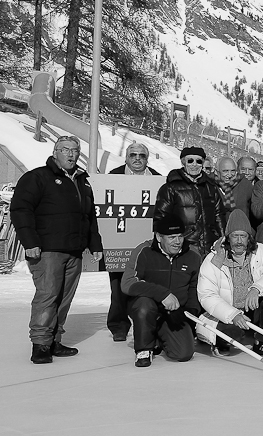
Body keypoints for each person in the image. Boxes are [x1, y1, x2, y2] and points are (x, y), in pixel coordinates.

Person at [11, 135, 103, 363]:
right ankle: (40, 344)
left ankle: (54, 340)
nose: (71, 155)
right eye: (65, 150)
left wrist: (95, 244)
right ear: (55, 153)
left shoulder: (83, 181)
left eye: (75, 150)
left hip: (74, 250)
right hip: (47, 250)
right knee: (48, 296)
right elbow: (21, 210)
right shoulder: (37, 177)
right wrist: (30, 242)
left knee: (64, 298)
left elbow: (89, 216)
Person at [196, 210, 263, 357]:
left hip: (253, 308)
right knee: (233, 335)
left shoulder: (260, 251)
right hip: (226, 312)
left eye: (243, 236)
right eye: (235, 236)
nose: (239, 241)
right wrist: (233, 315)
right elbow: (207, 295)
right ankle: (218, 342)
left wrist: (256, 289)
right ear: (227, 238)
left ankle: (262, 342)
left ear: (249, 238)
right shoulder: (215, 259)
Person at [121, 213, 200, 367]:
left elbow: (194, 288)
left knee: (184, 354)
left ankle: (159, 336)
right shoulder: (143, 251)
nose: (177, 242)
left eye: (180, 236)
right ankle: (144, 349)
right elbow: (128, 283)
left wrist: (189, 314)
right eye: (171, 237)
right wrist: (163, 294)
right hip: (147, 308)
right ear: (158, 237)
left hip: (175, 313)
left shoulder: (193, 255)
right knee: (144, 304)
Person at [106, 142, 159, 342]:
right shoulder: (112, 176)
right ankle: (119, 325)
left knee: (148, 285)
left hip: (147, 244)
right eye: (133, 154)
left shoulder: (157, 178)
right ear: (126, 157)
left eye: (142, 155)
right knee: (118, 287)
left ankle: (147, 322)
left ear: (147, 159)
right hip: (119, 242)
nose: (137, 158)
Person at [154, 146, 225, 255]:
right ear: (183, 162)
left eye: (198, 161)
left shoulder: (211, 187)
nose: (194, 164)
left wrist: (221, 239)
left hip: (209, 245)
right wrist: (162, 245)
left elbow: (219, 215)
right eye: (190, 161)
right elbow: (161, 218)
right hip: (183, 246)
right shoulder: (170, 188)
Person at [217, 157, 252, 225]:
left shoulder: (245, 185)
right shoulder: (210, 186)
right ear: (217, 172)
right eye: (225, 171)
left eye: (233, 171)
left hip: (239, 230)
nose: (229, 175)